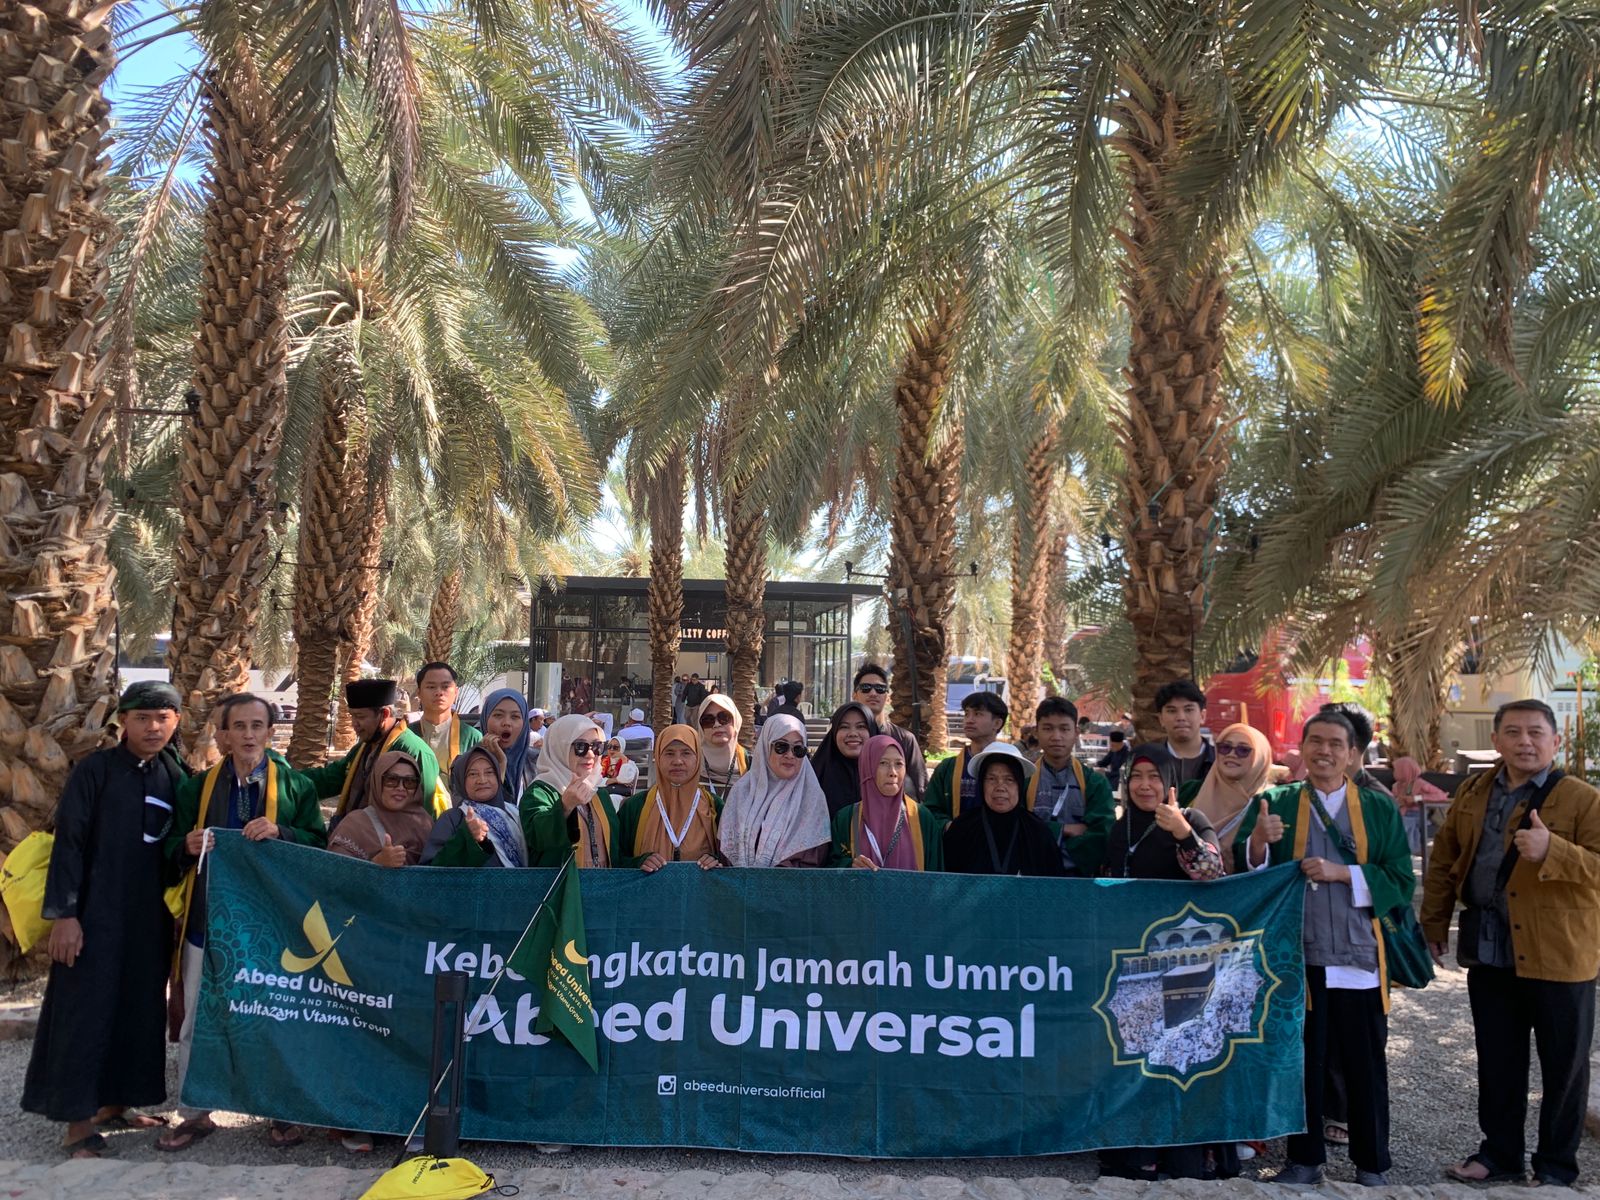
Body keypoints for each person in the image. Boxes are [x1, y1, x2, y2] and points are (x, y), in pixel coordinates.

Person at [1422, 699, 1600, 1188]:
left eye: (1536, 732)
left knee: (1564, 1066)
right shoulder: (1474, 791)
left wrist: (1554, 850)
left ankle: (1556, 1167)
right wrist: (1434, 921)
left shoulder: (1583, 800)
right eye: (1514, 732)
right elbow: (1446, 858)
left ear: (1555, 741)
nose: (1525, 742)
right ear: (1496, 740)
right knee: (1499, 1060)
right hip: (1490, 947)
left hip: (1559, 951)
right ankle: (1499, 1154)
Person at [1234, 711, 1413, 1187]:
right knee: (1303, 1062)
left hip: (1359, 957)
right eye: (1315, 741)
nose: (1325, 751)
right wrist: (1258, 842)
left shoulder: (1377, 808)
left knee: (1365, 1064)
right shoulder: (1274, 801)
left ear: (1353, 754)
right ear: (1302, 747)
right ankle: (1304, 1159)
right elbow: (1247, 874)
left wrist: (1343, 873)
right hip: (1297, 957)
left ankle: (1372, 1163)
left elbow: (1400, 879)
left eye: (1336, 743)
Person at [22, 682, 187, 1158]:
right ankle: (77, 1123)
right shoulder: (94, 771)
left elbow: (176, 848)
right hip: (93, 918)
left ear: (176, 721)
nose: (153, 727)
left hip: (148, 923)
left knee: (139, 1010)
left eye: (163, 717)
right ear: (123, 722)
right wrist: (65, 915)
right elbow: (69, 844)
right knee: (84, 1014)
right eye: (142, 718)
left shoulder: (175, 774)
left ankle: (116, 1103)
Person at [159, 693, 327, 1153]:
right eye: (239, 726)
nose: (249, 735)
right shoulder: (197, 790)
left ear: (271, 732)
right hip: (206, 924)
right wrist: (186, 846)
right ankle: (195, 1112)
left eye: (257, 726)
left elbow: (319, 843)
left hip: (271, 930)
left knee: (274, 1016)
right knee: (197, 1019)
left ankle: (279, 1109)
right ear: (224, 734)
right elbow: (167, 848)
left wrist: (282, 833)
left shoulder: (295, 788)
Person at [1098, 743, 1229, 1181]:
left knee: (1180, 1060)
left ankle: (1184, 1155)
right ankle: (1138, 1151)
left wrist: (1182, 834)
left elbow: (1212, 873)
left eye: (1155, 776)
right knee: (1137, 1057)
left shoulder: (1192, 819)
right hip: (1133, 967)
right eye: (1136, 776)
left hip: (1184, 966)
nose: (1144, 785)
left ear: (1171, 782)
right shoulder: (1121, 828)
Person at [302, 679, 442, 825]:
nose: (354, 724)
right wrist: (290, 779)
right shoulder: (363, 747)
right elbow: (331, 779)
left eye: (360, 717)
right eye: (352, 716)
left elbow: (421, 815)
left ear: (384, 714)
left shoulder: (414, 751)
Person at [719, 715, 832, 868]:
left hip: (791, 883)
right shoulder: (741, 793)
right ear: (766, 747)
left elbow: (814, 856)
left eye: (798, 749)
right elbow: (725, 848)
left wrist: (776, 875)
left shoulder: (812, 798)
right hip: (737, 882)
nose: (790, 755)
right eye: (781, 746)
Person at [944, 743, 1064, 876]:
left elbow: (1053, 883)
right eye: (991, 779)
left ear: (1019, 785)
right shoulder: (962, 827)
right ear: (981, 784)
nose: (1000, 787)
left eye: (1009, 779)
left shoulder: (1037, 831)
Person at [615, 725, 723, 871]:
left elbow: (731, 858)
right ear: (658, 757)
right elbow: (615, 859)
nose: (677, 761)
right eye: (669, 753)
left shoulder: (714, 806)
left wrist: (715, 861)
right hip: (648, 886)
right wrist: (638, 863)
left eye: (686, 753)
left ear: (698, 758)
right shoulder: (635, 806)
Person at [1029, 697, 1115, 875]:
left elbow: (1101, 834)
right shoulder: (1023, 779)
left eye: (1064, 729)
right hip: (1032, 875)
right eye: (1048, 728)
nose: (1056, 737)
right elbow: (1016, 828)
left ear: (1076, 733)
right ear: (1036, 732)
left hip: (1078, 877)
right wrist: (1063, 830)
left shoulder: (1095, 783)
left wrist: (1044, 837)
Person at [832, 735, 944, 870]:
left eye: (899, 764)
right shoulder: (846, 819)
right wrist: (850, 866)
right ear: (867, 767)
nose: (893, 772)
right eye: (883, 763)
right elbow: (830, 867)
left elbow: (936, 875)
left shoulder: (922, 818)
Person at [520, 714, 614, 866]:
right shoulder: (539, 793)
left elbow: (617, 852)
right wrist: (565, 806)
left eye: (597, 746)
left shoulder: (599, 793)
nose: (591, 754)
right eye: (580, 746)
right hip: (563, 882)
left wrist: (642, 861)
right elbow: (537, 838)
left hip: (604, 881)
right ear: (559, 748)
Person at [1181, 722, 1272, 873]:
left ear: (1260, 757)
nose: (1232, 754)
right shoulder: (1190, 791)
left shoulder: (1269, 803)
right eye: (1225, 747)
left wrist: (1257, 843)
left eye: (1243, 750)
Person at [422, 742, 527, 868]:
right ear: (461, 780)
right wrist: (466, 837)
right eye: (472, 774)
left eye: (489, 772)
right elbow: (432, 868)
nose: (482, 780)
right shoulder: (452, 819)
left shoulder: (516, 814)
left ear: (498, 777)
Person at [327, 752, 434, 867]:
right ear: (377, 782)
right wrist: (376, 864)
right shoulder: (355, 825)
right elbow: (334, 872)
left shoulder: (425, 823)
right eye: (392, 780)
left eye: (409, 782)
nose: (401, 788)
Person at [924, 691, 1008, 819]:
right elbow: (930, 810)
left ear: (997, 723)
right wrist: (947, 825)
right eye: (967, 714)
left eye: (977, 714)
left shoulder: (1013, 766)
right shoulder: (947, 768)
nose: (969, 720)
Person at [851, 663, 928, 799]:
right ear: (855, 696)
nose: (873, 693)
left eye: (880, 689)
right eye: (866, 688)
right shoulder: (848, 739)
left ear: (888, 697)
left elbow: (920, 787)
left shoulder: (905, 739)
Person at [409, 662, 482, 772]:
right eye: (431, 687)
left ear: (456, 692)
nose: (439, 692)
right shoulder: (406, 735)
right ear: (419, 693)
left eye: (445, 686)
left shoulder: (472, 737)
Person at [811, 702, 881, 816]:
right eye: (844, 727)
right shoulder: (815, 776)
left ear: (872, 731)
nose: (853, 733)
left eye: (861, 726)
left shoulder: (889, 774)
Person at [478, 687, 532, 808]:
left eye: (515, 717)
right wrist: (500, 765)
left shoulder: (538, 762)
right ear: (485, 718)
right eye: (498, 715)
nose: (506, 723)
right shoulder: (465, 764)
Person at [1154, 680, 1213, 784]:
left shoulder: (1220, 761)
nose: (1181, 717)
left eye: (1188, 710)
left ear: (1202, 716)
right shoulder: (1149, 762)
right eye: (1172, 711)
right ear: (1161, 719)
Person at [695, 693, 747, 798]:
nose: (717, 724)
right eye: (708, 720)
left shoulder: (751, 764)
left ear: (735, 721)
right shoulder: (692, 763)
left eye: (724, 717)